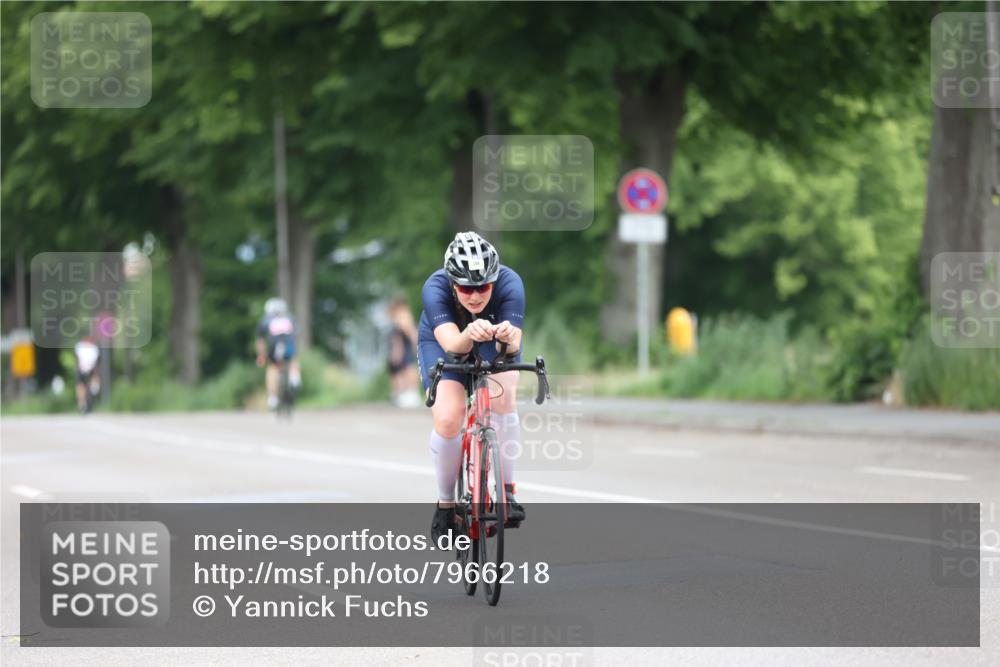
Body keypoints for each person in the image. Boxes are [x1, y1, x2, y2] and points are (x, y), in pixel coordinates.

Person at [417, 231, 526, 543]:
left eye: (483, 287)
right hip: (443, 340)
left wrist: (507, 338)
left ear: (495, 279)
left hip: (493, 339)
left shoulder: (510, 283)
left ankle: (507, 491)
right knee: (449, 418)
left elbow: (513, 345)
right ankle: (445, 503)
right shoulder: (435, 287)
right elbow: (453, 345)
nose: (475, 296)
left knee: (504, 396)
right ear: (452, 282)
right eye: (466, 287)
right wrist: (469, 331)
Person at [255, 297, 301, 410]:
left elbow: (260, 340)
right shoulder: (290, 317)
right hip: (289, 343)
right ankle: (295, 377)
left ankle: (272, 398)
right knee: (293, 358)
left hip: (273, 345)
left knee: (272, 367)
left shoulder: (265, 319)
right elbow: (296, 334)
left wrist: (261, 355)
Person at [386, 296, 421, 408]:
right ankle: (402, 393)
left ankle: (411, 393)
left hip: (405, 348)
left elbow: (410, 331)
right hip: (399, 348)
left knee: (407, 368)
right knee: (399, 371)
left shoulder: (403, 315)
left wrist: (417, 345)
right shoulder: (397, 316)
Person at [74, 336, 101, 414]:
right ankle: (83, 404)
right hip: (85, 368)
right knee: (81, 385)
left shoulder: (88, 347)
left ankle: (83, 403)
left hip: (85, 368)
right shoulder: (88, 347)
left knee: (81, 385)